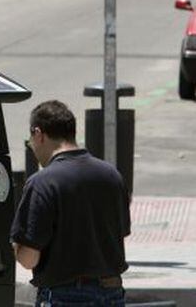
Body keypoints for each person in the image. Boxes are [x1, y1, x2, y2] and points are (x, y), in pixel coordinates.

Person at [10, 100, 131, 306]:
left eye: (31, 140)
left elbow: (29, 258)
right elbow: (121, 233)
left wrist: (15, 245)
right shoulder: (111, 175)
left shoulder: (42, 183)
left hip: (64, 296)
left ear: (39, 134)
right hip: (112, 293)